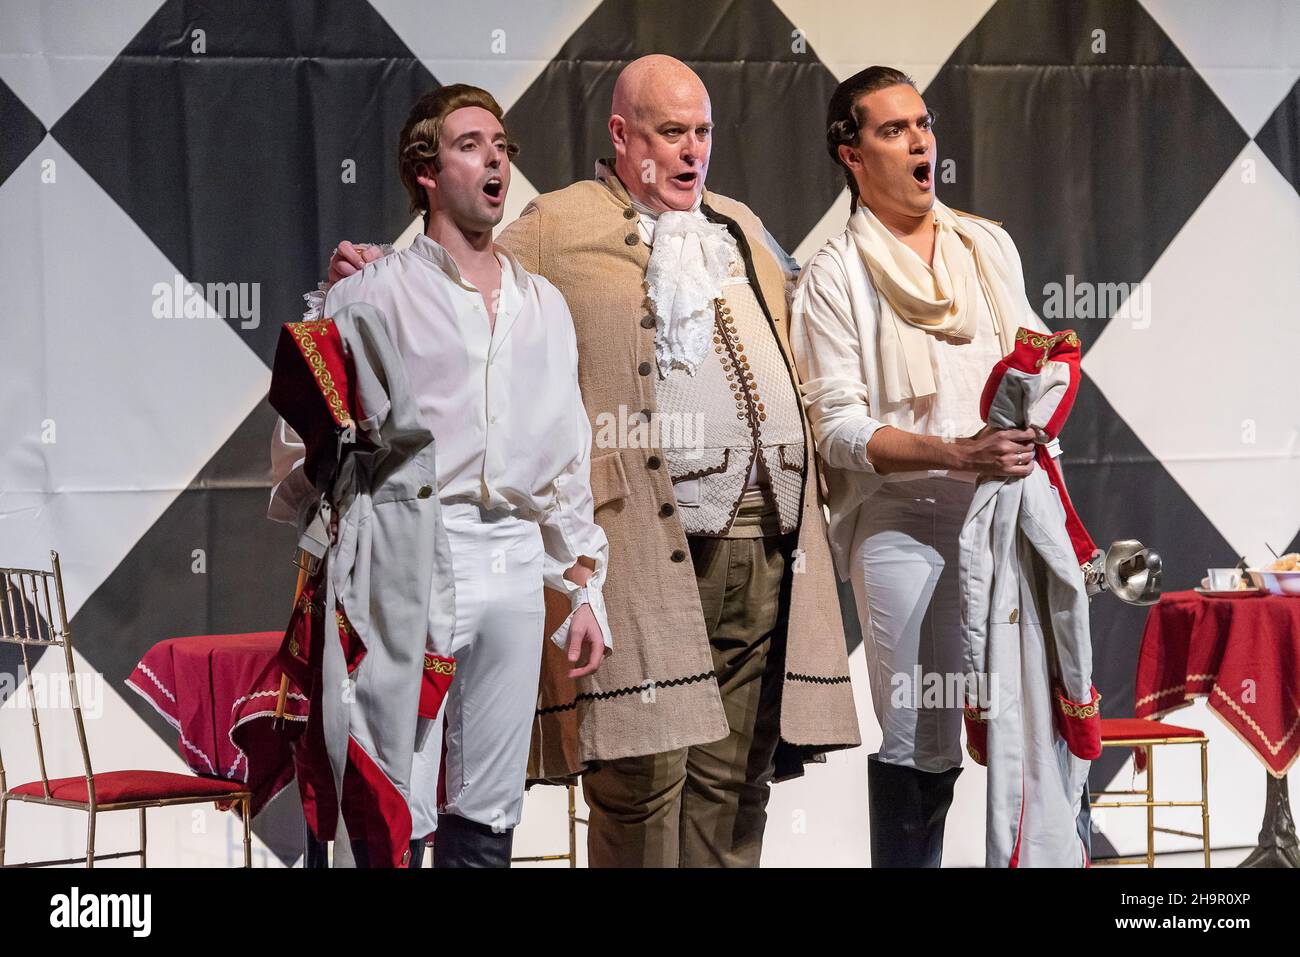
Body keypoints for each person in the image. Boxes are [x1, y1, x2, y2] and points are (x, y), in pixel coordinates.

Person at [327, 56, 859, 868]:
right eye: (671, 132)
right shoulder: (555, 227)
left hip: (765, 541)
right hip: (643, 547)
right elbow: (464, 273)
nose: (692, 151)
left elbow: (801, 312)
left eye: (703, 133)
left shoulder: (741, 224)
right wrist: (375, 265)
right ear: (621, 133)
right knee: (641, 774)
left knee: (735, 780)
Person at [271, 84, 610, 868]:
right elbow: (303, 438)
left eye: (502, 145)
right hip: (413, 554)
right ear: (425, 170)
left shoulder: (545, 305)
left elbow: (565, 456)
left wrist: (585, 583)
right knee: (395, 793)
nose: (496, 157)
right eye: (470, 144)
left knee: (490, 803)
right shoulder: (372, 292)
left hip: (518, 563)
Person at [790, 66, 1056, 867]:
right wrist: (956, 452)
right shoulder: (836, 274)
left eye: (924, 124)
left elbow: (1034, 358)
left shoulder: (987, 244)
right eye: (894, 129)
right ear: (851, 153)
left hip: (1002, 512)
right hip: (902, 522)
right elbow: (836, 428)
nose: (920, 141)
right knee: (920, 735)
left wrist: (1042, 402)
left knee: (1028, 723)